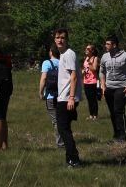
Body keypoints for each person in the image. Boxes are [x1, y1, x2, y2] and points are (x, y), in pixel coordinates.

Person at [99, 35, 126, 142]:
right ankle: (116, 133)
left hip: (122, 87)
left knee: (118, 110)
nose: (105, 46)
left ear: (114, 45)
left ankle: (123, 135)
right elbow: (101, 71)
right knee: (112, 112)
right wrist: (103, 85)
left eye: (108, 44)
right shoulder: (105, 57)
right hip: (109, 87)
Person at [54, 28, 82, 167]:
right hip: (63, 97)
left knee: (63, 129)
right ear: (54, 39)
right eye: (58, 37)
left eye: (63, 38)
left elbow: (74, 76)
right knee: (64, 129)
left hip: (66, 98)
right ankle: (70, 158)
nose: (60, 40)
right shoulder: (63, 55)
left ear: (67, 40)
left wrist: (71, 97)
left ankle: (74, 159)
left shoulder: (69, 54)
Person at [38, 45, 64, 148]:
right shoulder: (62, 62)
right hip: (62, 94)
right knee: (62, 118)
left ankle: (60, 143)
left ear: (51, 52)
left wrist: (40, 92)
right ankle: (65, 139)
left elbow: (44, 78)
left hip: (50, 95)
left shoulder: (47, 63)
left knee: (55, 121)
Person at [82, 43, 99, 120]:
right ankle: (91, 115)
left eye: (88, 49)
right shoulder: (85, 58)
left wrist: (89, 63)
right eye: (86, 48)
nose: (86, 50)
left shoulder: (95, 58)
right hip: (86, 81)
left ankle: (95, 115)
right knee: (89, 99)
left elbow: (94, 69)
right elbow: (85, 68)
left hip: (93, 81)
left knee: (93, 99)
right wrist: (83, 71)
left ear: (92, 50)